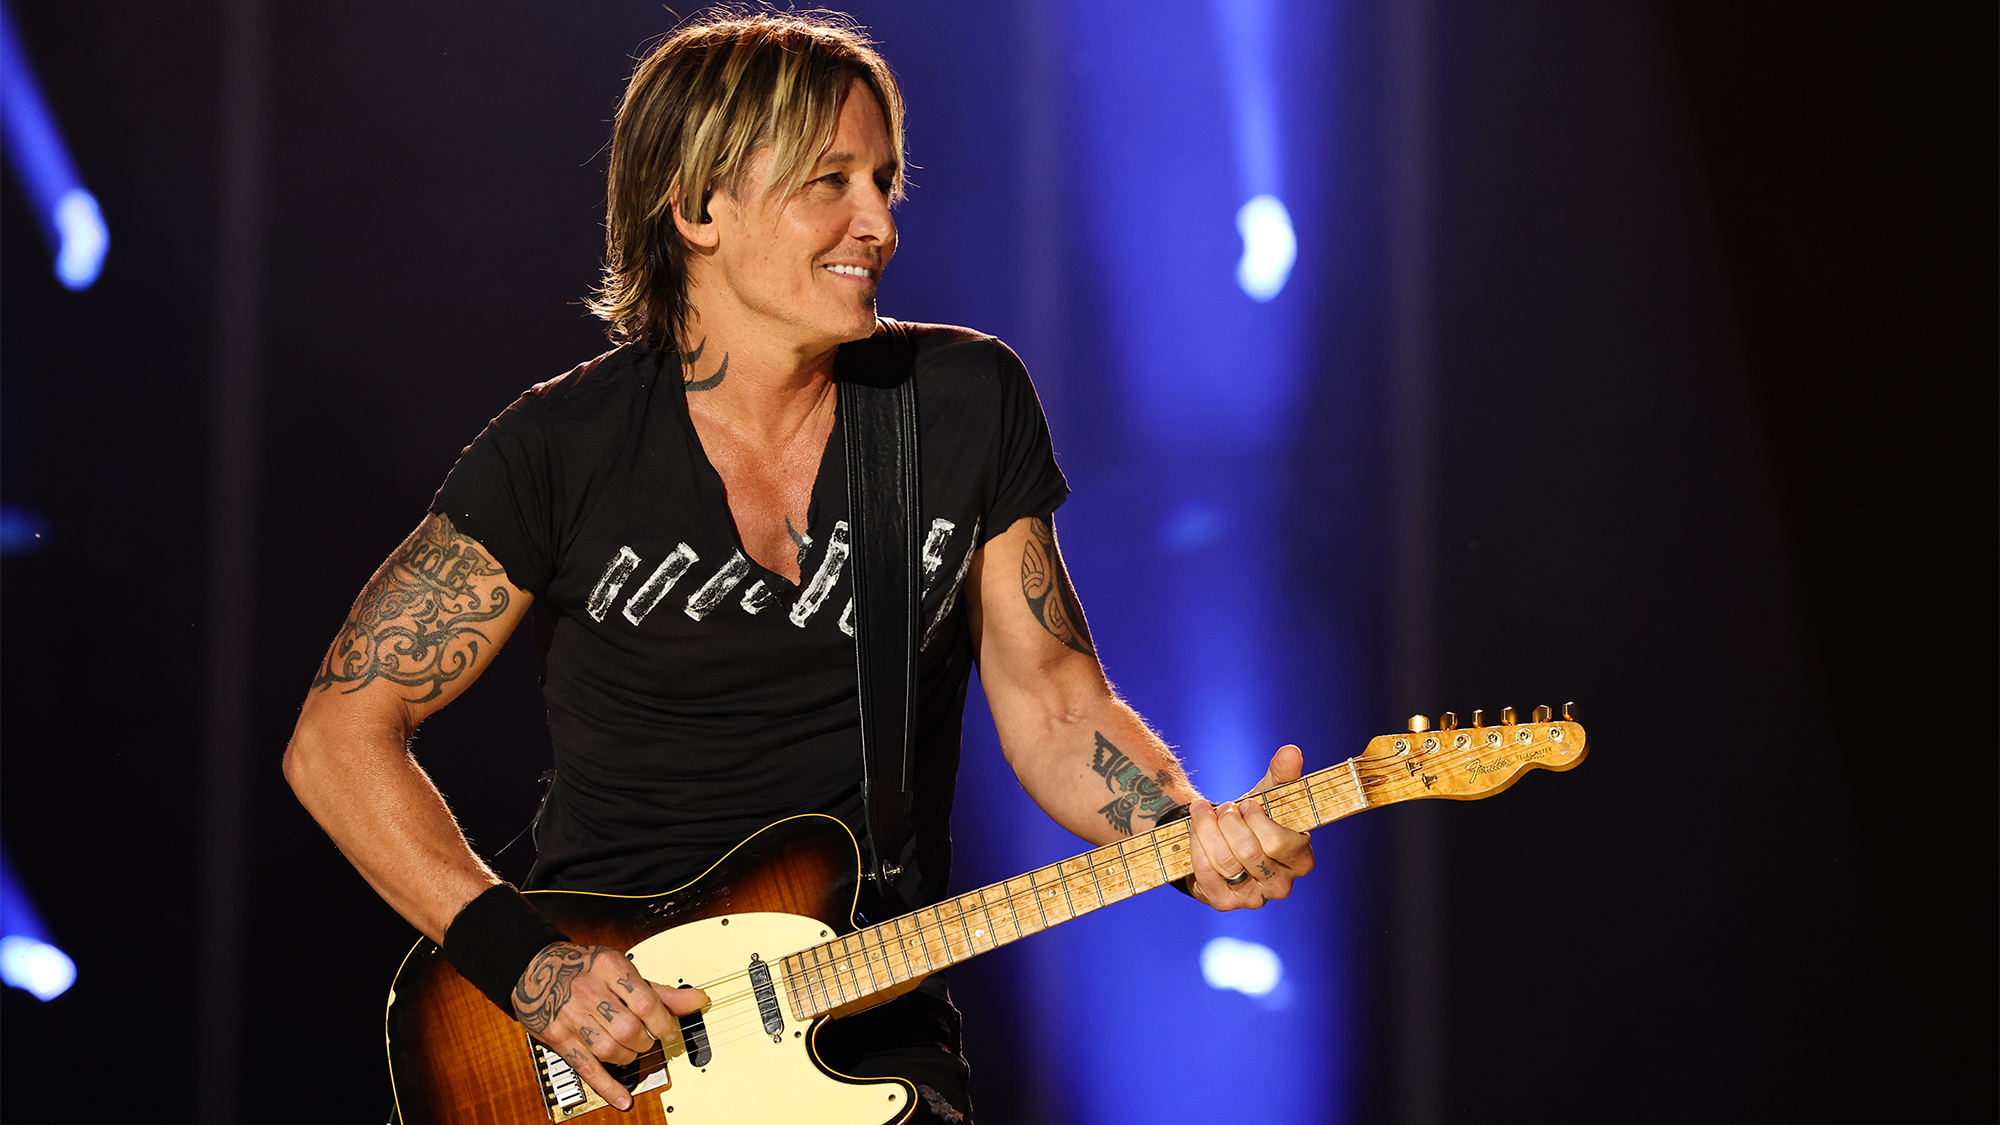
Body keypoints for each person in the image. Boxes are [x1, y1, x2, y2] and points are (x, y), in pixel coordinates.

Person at [283, 11, 1314, 1123]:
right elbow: (337, 740)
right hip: (616, 1054)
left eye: (884, 181)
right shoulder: (558, 450)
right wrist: (531, 967)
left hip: (870, 1022)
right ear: (697, 208)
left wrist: (1183, 833)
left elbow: (1058, 706)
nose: (878, 222)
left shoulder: (958, 405)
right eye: (831, 182)